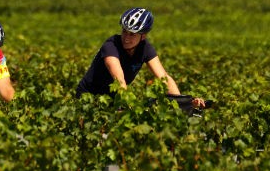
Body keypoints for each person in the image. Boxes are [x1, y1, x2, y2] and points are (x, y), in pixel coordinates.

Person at [76, 7, 205, 108]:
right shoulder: (111, 46)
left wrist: (183, 103)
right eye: (124, 31)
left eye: (132, 34)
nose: (126, 38)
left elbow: (164, 78)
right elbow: (119, 81)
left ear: (143, 36)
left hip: (113, 100)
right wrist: (132, 108)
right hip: (88, 98)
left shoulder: (145, 48)